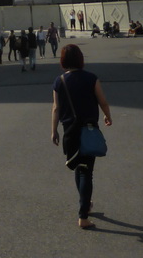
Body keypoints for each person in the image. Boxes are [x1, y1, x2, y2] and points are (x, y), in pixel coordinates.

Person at [51, 44, 113, 230]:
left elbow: (56, 108)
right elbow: (102, 101)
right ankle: (83, 215)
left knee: (79, 168)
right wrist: (107, 115)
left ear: (63, 61)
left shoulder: (59, 81)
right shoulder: (91, 78)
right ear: (80, 59)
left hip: (69, 131)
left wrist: (53, 130)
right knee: (86, 171)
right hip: (88, 130)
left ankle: (85, 204)